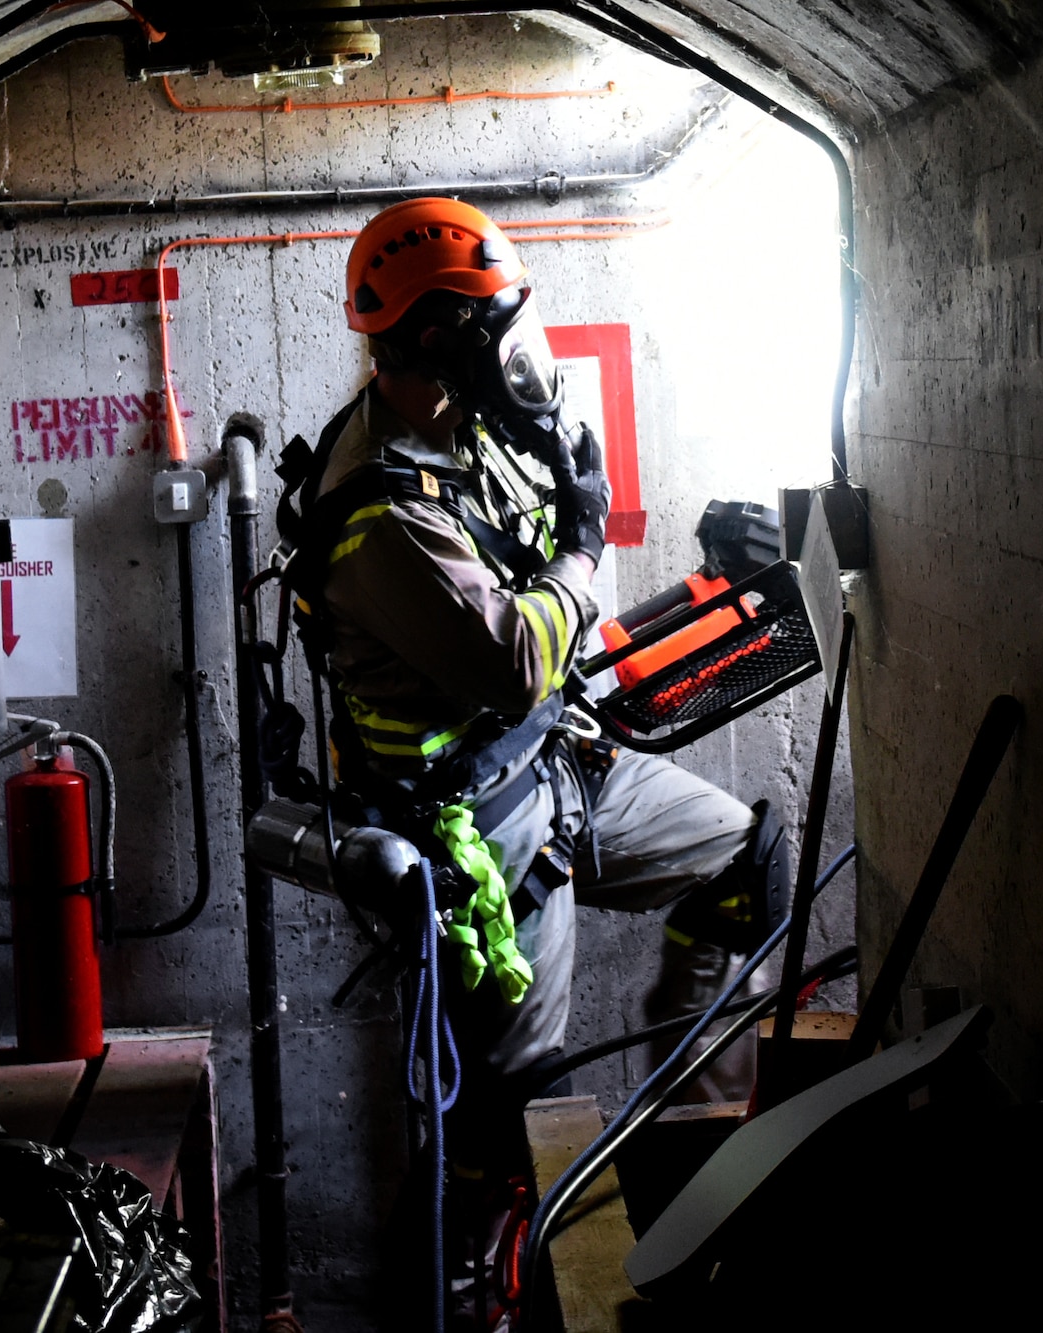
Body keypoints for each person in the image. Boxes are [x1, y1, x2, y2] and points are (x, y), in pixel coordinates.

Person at [275, 197, 790, 1325]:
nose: (516, 348)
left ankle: (688, 1138)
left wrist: (569, 479)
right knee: (510, 1110)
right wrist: (588, 543)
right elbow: (513, 655)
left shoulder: (465, 425)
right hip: (476, 831)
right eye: (494, 325)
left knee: (751, 862)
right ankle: (458, 1298)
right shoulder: (378, 510)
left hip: (555, 765)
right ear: (437, 339)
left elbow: (532, 589)